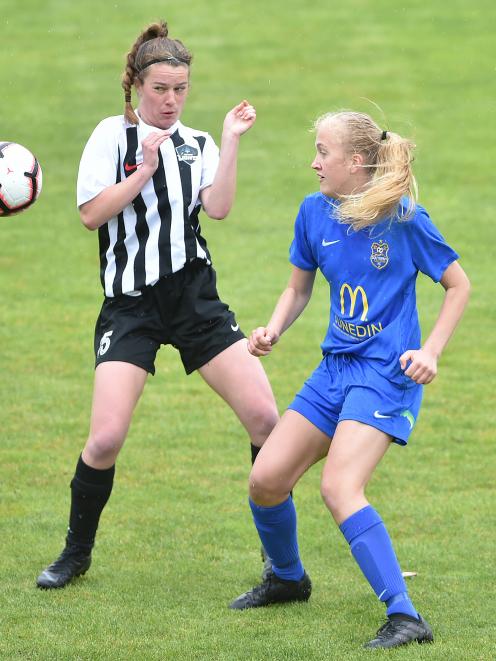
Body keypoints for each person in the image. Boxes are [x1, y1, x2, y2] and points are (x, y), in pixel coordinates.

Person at [36, 20, 279, 589]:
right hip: (131, 304)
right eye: (160, 90)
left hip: (194, 297)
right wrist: (144, 168)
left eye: (181, 90)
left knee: (267, 420)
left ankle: (280, 565)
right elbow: (92, 214)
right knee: (105, 438)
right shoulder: (109, 137)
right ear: (137, 87)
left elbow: (217, 209)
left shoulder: (197, 143)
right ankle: (75, 553)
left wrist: (232, 138)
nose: (171, 101)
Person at [229, 110, 470, 649]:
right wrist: (273, 326)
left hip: (386, 374)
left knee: (339, 487)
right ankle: (288, 580)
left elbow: (459, 285)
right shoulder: (313, 212)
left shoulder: (404, 218)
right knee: (266, 480)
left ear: (355, 161)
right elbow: (298, 287)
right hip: (334, 369)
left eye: (323, 153)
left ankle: (405, 615)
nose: (314, 163)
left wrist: (430, 351)